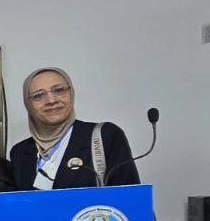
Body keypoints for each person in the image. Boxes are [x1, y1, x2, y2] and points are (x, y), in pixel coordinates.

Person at [9, 67, 139, 190]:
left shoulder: (105, 136)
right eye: (38, 95)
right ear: (28, 104)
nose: (51, 100)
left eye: (59, 90)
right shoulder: (20, 153)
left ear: (71, 93)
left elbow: (131, 202)